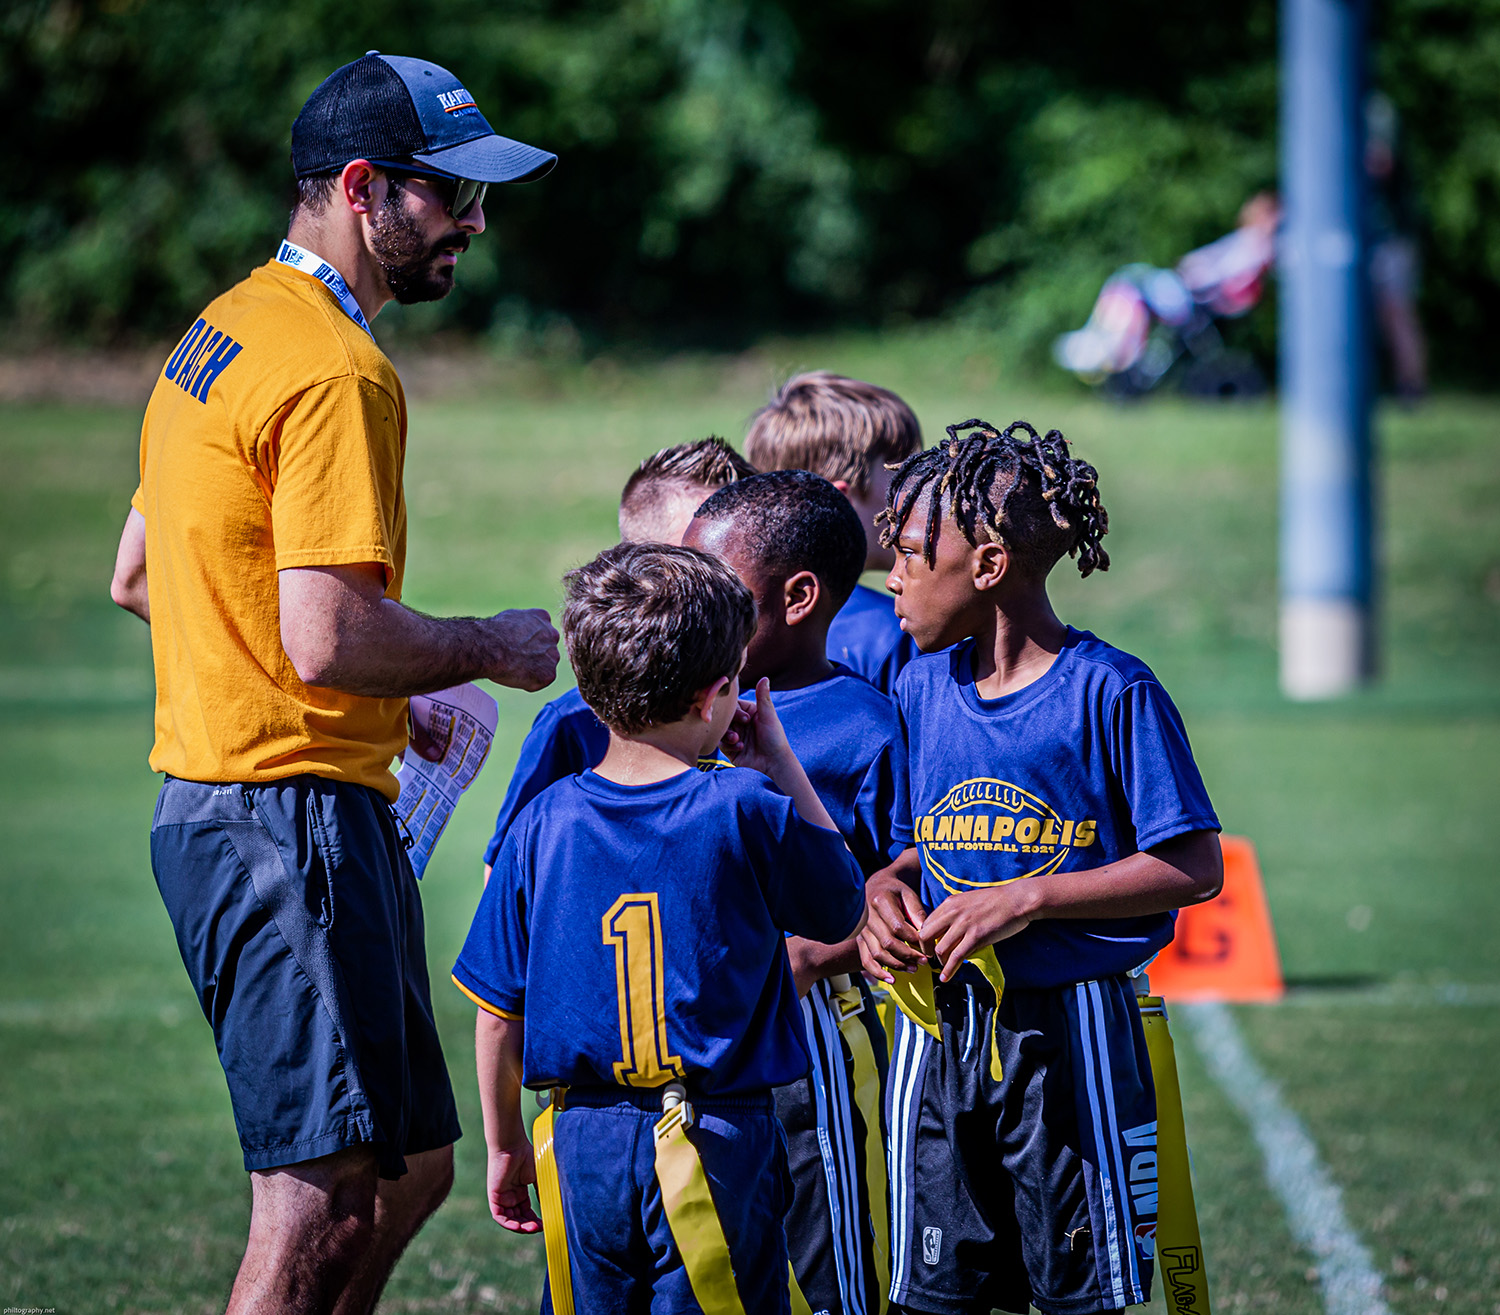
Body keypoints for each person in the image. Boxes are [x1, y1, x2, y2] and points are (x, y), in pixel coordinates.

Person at [107, 53, 561, 1315]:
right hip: (282, 816)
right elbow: (325, 636)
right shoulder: (335, 372)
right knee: (320, 1204)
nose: (475, 225)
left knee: (407, 1168)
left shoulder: (226, 327)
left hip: (251, 805)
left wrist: (384, 696)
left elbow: (143, 574)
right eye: (453, 197)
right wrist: (483, 646)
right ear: (364, 189)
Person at [858, 420, 1224, 1315]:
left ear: (987, 566)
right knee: (936, 1295)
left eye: (911, 553)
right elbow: (923, 841)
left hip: (1073, 1036)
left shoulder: (1109, 689)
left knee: (1077, 1293)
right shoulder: (918, 685)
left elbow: (1194, 863)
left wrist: (1030, 898)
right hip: (941, 1031)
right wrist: (883, 888)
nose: (892, 575)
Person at [453, 543, 867, 1311]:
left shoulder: (541, 823)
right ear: (715, 697)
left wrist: (506, 1141)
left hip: (581, 1141)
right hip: (717, 1141)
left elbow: (495, 1010)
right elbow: (844, 903)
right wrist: (778, 757)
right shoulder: (743, 807)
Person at [683, 470, 906, 1315]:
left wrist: (830, 946)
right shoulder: (673, 711)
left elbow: (911, 874)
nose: (692, 610)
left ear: (800, 595)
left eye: (716, 588)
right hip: (688, 1049)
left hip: (815, 1056)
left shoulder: (868, 724)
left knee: (827, 1275)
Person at [479, 435, 756, 881]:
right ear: (633, 568)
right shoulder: (572, 720)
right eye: (691, 564)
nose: (716, 583)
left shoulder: (761, 706)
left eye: (732, 562)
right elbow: (509, 880)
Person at [744, 371, 923, 693]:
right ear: (840, 501)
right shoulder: (896, 635)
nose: (920, 495)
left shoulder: (735, 620)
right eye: (905, 477)